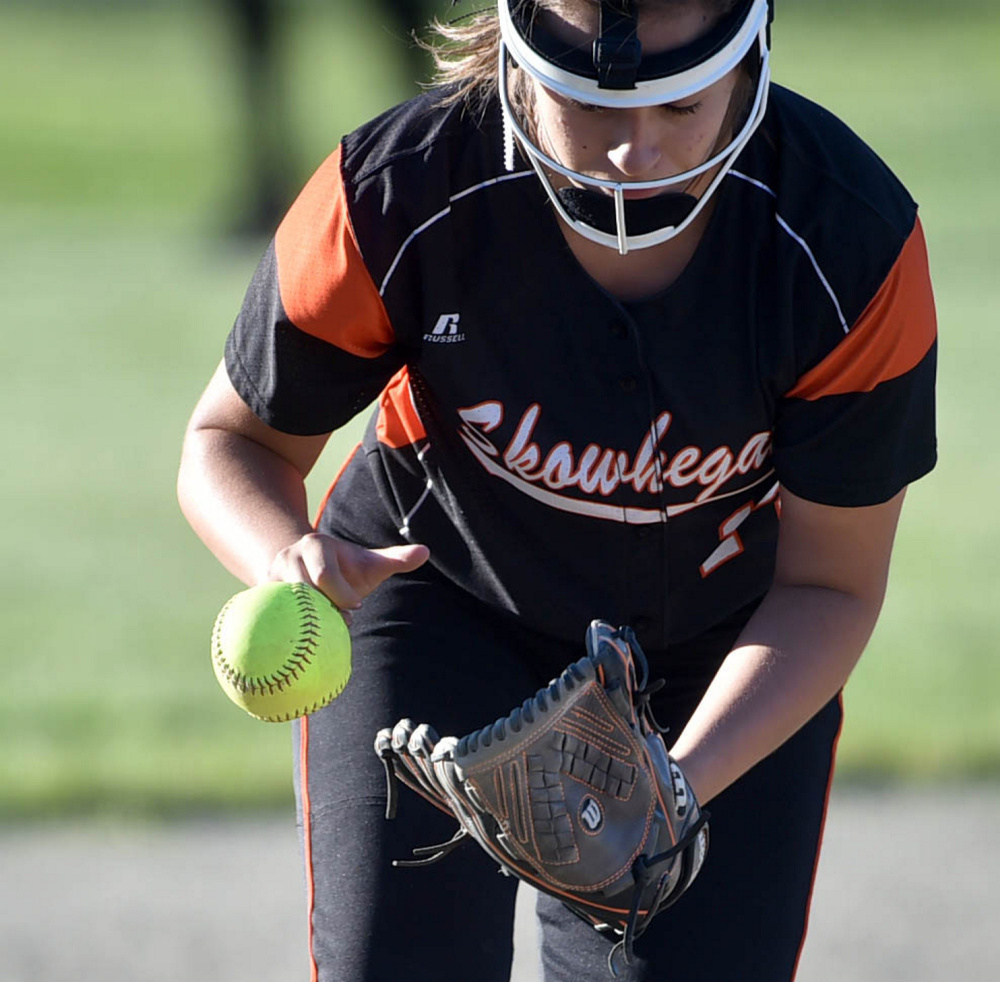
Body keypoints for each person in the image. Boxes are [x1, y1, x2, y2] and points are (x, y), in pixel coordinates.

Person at [177, 0, 938, 979]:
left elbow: (832, 584)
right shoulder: (396, 189)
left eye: (679, 106)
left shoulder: (847, 244)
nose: (630, 152)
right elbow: (229, 439)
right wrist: (281, 555)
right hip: (440, 615)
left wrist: (666, 790)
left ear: (748, 68)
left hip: (715, 663)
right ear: (524, 72)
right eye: (592, 105)